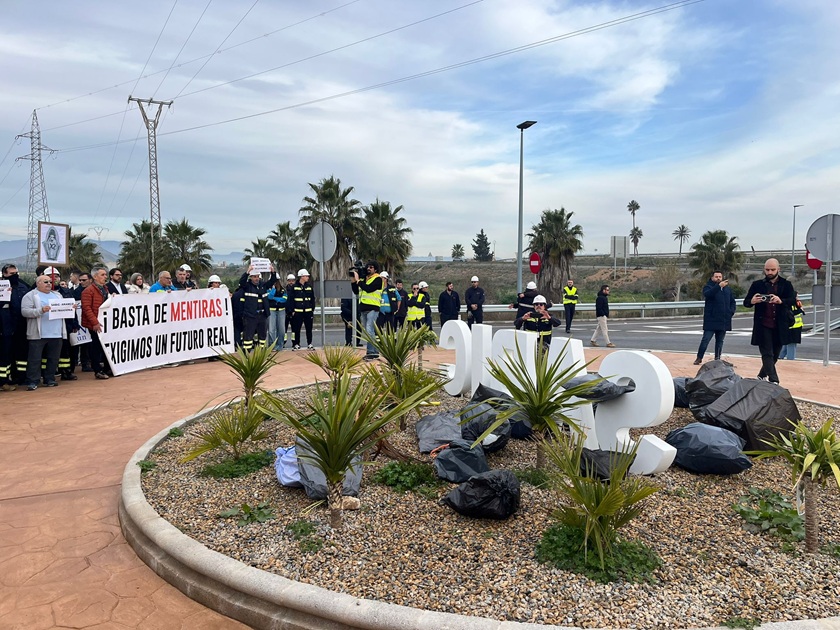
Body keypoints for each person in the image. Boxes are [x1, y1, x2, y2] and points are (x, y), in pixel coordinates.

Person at [743, 258, 796, 384]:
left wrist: (780, 300)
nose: (770, 272)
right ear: (764, 270)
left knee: (775, 354)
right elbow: (746, 302)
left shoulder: (786, 284)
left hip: (780, 324)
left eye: (772, 269)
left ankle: (762, 375)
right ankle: (774, 380)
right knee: (767, 353)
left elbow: (793, 300)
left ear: (778, 269)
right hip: (763, 324)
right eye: (767, 270)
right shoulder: (757, 285)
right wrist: (752, 301)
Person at [21, 275, 67, 390]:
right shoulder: (30, 295)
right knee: (35, 359)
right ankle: (33, 381)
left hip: (56, 332)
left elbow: (64, 310)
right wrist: (41, 310)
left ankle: (49, 378)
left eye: (50, 282)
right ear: (38, 283)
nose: (49, 284)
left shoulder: (57, 295)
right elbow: (25, 312)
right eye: (46, 282)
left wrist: (70, 308)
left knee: (53, 358)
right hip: (38, 333)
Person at [694, 271, 736, 365]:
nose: (718, 278)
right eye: (716, 276)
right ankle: (699, 357)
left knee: (720, 341)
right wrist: (718, 286)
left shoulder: (727, 289)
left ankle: (717, 358)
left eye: (720, 276)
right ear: (712, 278)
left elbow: (732, 302)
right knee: (705, 339)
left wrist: (731, 311)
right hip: (711, 319)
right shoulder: (708, 287)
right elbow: (708, 294)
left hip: (723, 319)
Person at [2, 264, 31, 385]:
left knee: (22, 351)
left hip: (22, 323)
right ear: (4, 274)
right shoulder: (1, 287)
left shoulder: (23, 286)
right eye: (11, 274)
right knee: (7, 352)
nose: (15, 276)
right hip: (6, 325)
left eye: (16, 273)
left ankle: (22, 376)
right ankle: (7, 379)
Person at [80, 265, 112, 380]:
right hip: (95, 323)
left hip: (105, 322)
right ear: (95, 277)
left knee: (105, 346)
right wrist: (95, 322)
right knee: (96, 347)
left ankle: (107, 368)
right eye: (102, 275)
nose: (105, 277)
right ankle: (97, 370)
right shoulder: (88, 291)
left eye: (105, 275)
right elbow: (87, 308)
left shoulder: (105, 289)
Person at [351, 261, 384, 359]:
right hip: (363, 308)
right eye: (367, 267)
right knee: (368, 331)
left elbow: (368, 289)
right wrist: (353, 280)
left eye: (371, 267)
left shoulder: (378, 279)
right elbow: (356, 291)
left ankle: (370, 352)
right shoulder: (364, 279)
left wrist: (358, 280)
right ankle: (375, 351)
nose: (368, 268)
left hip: (373, 307)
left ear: (375, 269)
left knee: (370, 330)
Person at [238, 265, 275, 352]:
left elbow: (272, 281)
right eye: (254, 277)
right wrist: (247, 272)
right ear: (251, 277)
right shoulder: (247, 286)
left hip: (262, 315)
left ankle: (262, 353)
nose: (256, 278)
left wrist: (273, 272)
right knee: (248, 336)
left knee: (262, 336)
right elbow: (241, 282)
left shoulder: (263, 285)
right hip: (250, 316)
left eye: (257, 276)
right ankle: (246, 354)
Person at [291, 269, 315, 350]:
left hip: (308, 312)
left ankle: (310, 343)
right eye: (306, 276)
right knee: (297, 329)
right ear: (302, 276)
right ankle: (296, 344)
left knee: (309, 329)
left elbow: (312, 299)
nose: (308, 277)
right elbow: (291, 299)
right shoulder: (294, 287)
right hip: (298, 312)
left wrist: (312, 309)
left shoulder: (309, 287)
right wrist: (292, 310)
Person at [779, 294, 805, 360]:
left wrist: (800, 309)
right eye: (796, 296)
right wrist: (800, 310)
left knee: (787, 344)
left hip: (797, 326)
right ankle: (790, 359)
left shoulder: (797, 303)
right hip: (791, 327)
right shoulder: (788, 304)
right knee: (791, 344)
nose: (797, 297)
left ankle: (779, 356)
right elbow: (790, 313)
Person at [266, 277, 287, 349]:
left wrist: (275, 299)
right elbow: (269, 297)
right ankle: (272, 346)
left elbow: (284, 299)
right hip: (271, 311)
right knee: (271, 329)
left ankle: (280, 345)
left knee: (281, 330)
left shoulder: (283, 290)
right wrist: (273, 289)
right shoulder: (268, 289)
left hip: (281, 311)